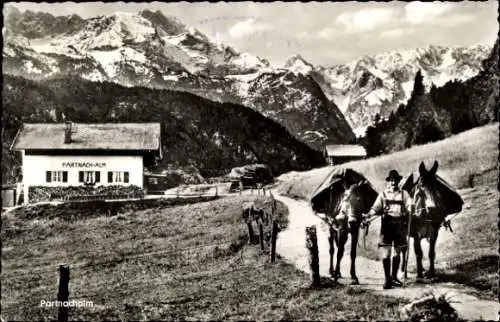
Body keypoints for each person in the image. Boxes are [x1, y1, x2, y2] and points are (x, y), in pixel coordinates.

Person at [362, 170, 412, 289]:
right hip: (387, 225)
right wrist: (368, 215)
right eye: (391, 180)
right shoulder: (383, 194)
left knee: (397, 252)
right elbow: (375, 208)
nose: (393, 182)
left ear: (398, 181)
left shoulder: (404, 194)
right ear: (388, 182)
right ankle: (387, 279)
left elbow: (410, 205)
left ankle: (394, 277)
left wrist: (411, 208)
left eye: (395, 180)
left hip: (399, 225)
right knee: (386, 252)